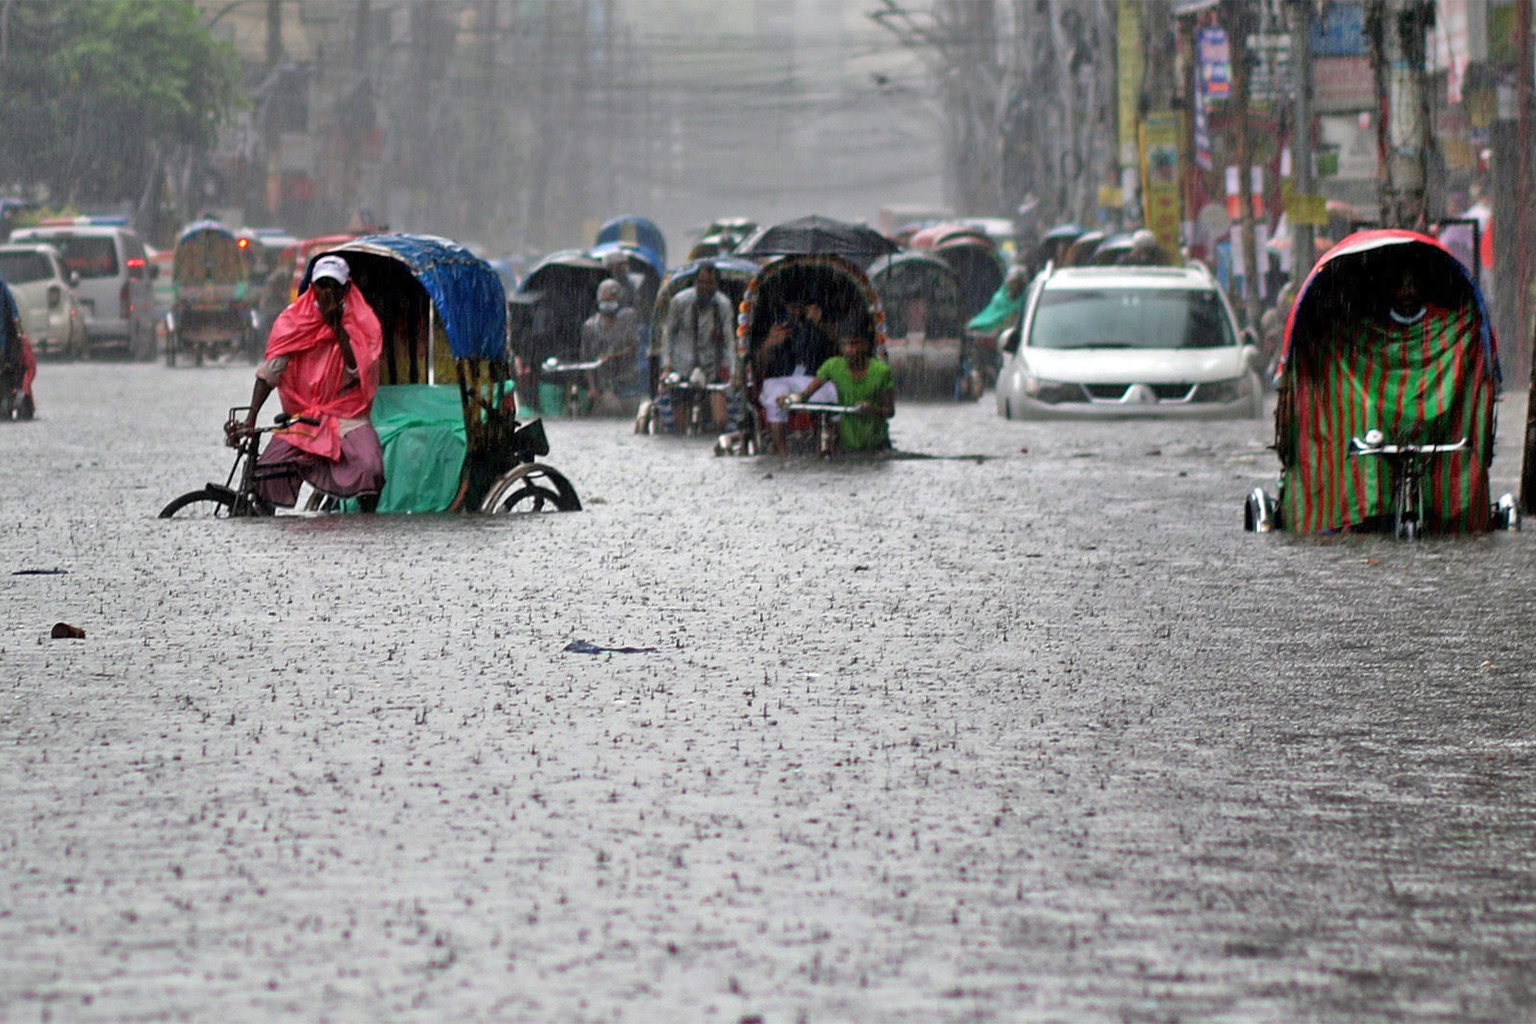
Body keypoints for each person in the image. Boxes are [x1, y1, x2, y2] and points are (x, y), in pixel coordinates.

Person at [227, 255, 385, 511]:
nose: (328, 292)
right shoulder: (295, 321)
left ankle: (366, 519)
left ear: (345, 289)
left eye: (334, 286)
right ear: (313, 288)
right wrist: (251, 416)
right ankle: (263, 513)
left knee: (371, 468)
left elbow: (360, 371)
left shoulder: (362, 322)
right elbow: (270, 372)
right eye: (322, 285)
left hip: (348, 413)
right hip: (306, 415)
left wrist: (339, 330)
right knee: (267, 469)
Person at [778, 329, 895, 452]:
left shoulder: (882, 371)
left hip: (877, 445)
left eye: (854, 344)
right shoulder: (833, 366)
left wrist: (870, 409)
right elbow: (806, 394)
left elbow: (890, 411)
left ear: (865, 345)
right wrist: (788, 399)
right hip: (846, 444)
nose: (849, 350)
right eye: (844, 345)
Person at [659, 260, 737, 429]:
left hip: (711, 365)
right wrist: (666, 367)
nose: (704, 287)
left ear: (716, 284)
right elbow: (668, 335)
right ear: (695, 283)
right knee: (680, 423)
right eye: (701, 282)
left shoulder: (723, 305)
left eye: (709, 283)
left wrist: (733, 371)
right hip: (682, 365)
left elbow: (730, 340)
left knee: (720, 421)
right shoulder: (679, 302)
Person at [757, 298, 836, 456]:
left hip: (814, 378)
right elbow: (759, 364)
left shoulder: (824, 320)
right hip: (779, 378)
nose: (797, 309)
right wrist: (770, 344)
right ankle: (782, 453)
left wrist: (819, 323)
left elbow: (842, 346)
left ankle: (826, 448)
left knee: (829, 395)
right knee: (777, 396)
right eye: (792, 305)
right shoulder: (773, 320)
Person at [578, 278, 642, 410]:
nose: (608, 303)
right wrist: (592, 388)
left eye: (612, 300)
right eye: (605, 300)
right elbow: (586, 359)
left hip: (628, 380)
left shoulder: (628, 318)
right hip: (604, 385)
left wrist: (614, 356)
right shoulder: (590, 326)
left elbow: (634, 345)